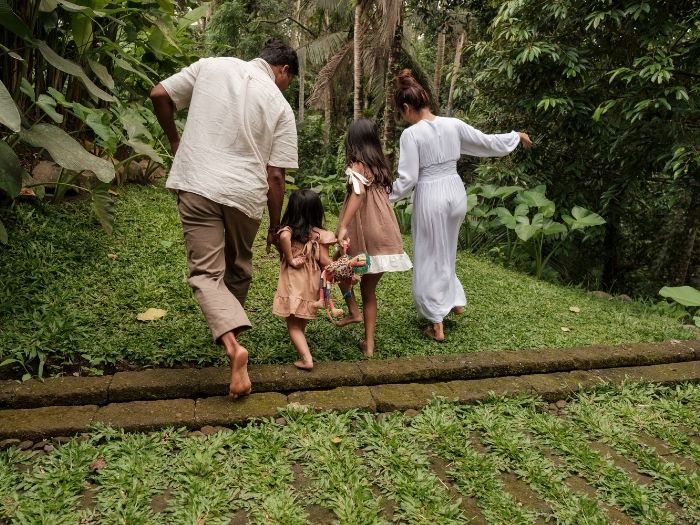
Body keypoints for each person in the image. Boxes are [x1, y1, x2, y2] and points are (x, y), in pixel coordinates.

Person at [149, 40, 299, 398]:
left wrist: (175, 139)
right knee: (239, 269)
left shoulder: (211, 65)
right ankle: (230, 338)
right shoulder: (281, 105)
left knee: (205, 274)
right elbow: (275, 176)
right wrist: (275, 226)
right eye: (289, 81)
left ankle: (231, 345)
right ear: (284, 71)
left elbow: (159, 94)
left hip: (198, 182)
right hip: (245, 196)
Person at [389, 69, 532, 342]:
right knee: (447, 250)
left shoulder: (411, 135)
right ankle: (454, 299)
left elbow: (408, 179)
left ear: (407, 107)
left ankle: (435, 322)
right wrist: (515, 136)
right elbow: (487, 142)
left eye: (401, 112)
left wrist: (384, 198)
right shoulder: (452, 124)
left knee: (429, 255)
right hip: (455, 192)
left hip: (431, 194)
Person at [335, 119, 413, 357]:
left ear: (353, 142)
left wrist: (343, 226)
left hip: (364, 230)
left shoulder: (357, 166)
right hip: (385, 231)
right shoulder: (380, 167)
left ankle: (353, 311)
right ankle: (369, 346)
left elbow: (358, 195)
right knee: (369, 291)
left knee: (336, 268)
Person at [272, 189, 336, 370]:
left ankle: (306, 359)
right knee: (301, 318)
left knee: (292, 324)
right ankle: (303, 348)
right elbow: (324, 261)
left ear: (292, 209)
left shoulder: (289, 230)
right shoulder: (319, 234)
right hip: (312, 281)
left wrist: (291, 259)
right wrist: (339, 267)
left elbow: (283, 236)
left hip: (294, 280)